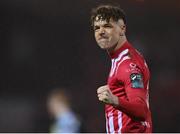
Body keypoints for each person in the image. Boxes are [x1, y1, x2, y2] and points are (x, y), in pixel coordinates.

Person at [91, 4, 152, 133]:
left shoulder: (128, 64)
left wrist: (114, 100)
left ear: (122, 29)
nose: (101, 31)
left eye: (107, 26)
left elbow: (141, 111)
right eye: (97, 28)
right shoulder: (121, 58)